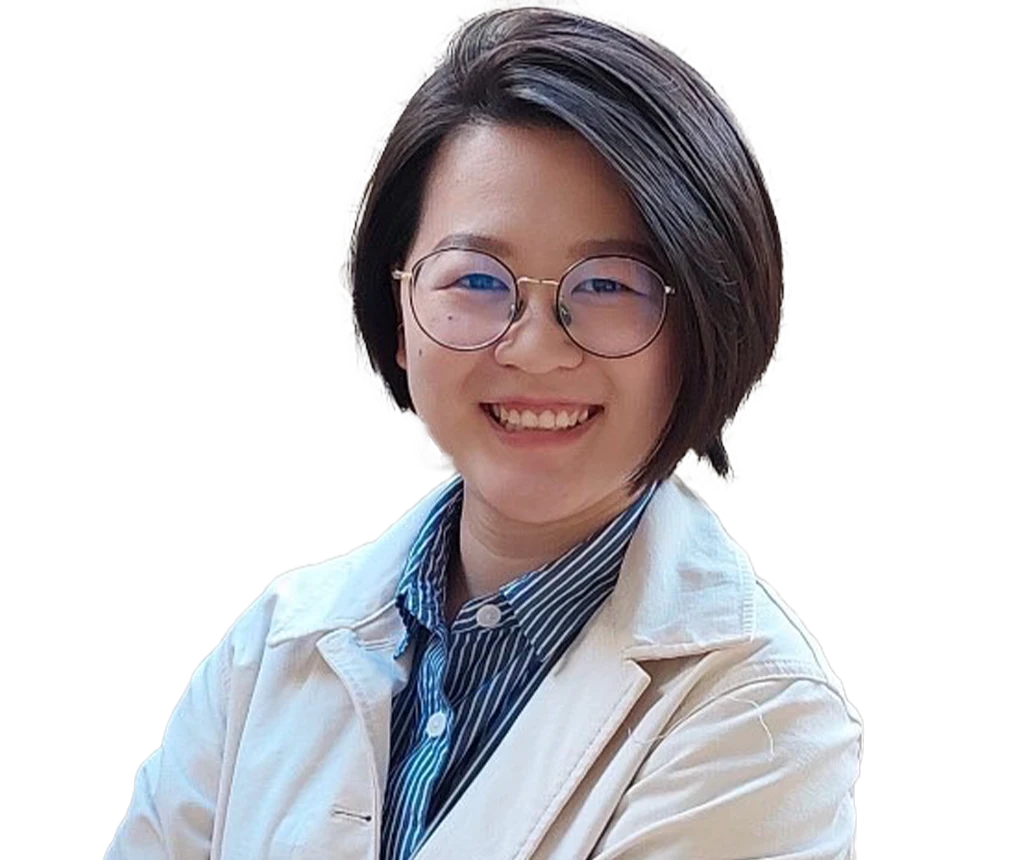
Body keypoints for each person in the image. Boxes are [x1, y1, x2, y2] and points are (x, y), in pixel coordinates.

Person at [107, 6, 863, 859]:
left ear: (705, 329)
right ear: (399, 314)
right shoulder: (272, 651)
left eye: (609, 285)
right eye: (474, 279)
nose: (534, 349)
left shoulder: (761, 715)